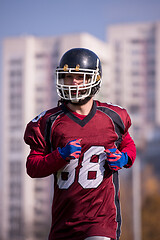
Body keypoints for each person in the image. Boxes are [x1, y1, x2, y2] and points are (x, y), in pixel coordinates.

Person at [24, 48, 136, 240]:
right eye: (67, 76)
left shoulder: (113, 117)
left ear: (94, 79)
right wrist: (59, 156)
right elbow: (33, 167)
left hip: (101, 221)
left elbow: (128, 145)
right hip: (64, 222)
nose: (73, 81)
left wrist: (124, 158)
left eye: (80, 76)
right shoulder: (48, 122)